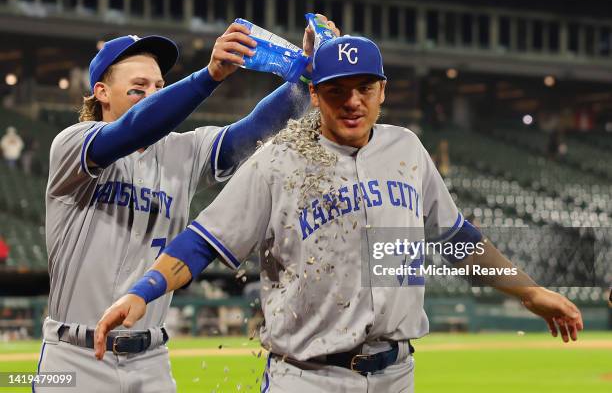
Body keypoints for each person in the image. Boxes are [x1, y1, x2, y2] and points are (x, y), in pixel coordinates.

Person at [95, 36, 584, 392]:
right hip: (308, 378)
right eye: (336, 90)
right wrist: (143, 292)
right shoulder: (278, 159)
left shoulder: (407, 149)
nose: (352, 101)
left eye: (364, 88)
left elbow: (457, 239)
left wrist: (530, 293)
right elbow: (203, 241)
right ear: (313, 94)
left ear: (383, 90)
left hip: (397, 374)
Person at [36, 16, 340, 393]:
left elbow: (253, 132)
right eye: (138, 89)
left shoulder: (184, 149)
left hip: (151, 360)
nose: (152, 95)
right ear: (101, 92)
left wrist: (304, 82)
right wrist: (208, 76)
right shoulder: (73, 144)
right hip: (76, 357)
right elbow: (134, 129)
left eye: (159, 87)